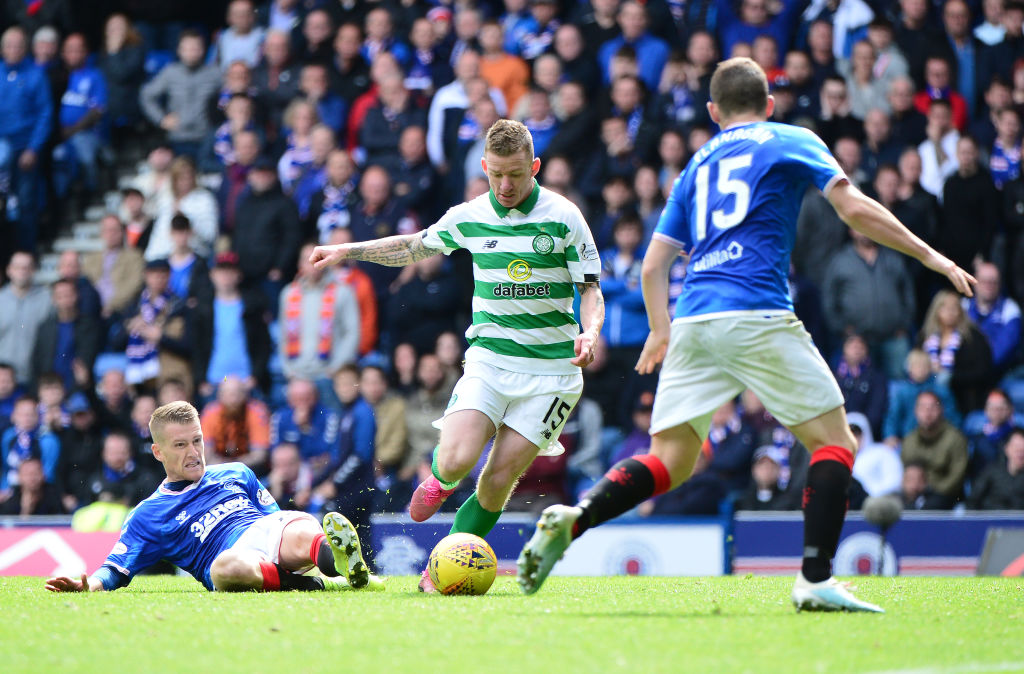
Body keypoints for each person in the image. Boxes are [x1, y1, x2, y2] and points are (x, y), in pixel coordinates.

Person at [515, 57, 977, 611]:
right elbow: (851, 206)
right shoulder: (788, 138)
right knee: (834, 442)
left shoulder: (695, 166)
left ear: (712, 112)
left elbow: (654, 264)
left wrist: (660, 331)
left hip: (693, 317)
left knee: (671, 459)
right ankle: (814, 578)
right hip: (755, 309)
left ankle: (578, 515)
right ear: (770, 104)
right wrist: (931, 256)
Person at [309, 118, 603, 592]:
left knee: (496, 480)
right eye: (497, 175)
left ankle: (439, 570)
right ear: (484, 167)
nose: (506, 186)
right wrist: (348, 249)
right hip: (490, 359)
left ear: (536, 167)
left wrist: (590, 332)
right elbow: (410, 247)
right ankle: (442, 481)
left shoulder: (564, 216)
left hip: (552, 373)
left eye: (517, 175)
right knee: (455, 458)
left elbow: (591, 289)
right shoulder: (469, 215)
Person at [44, 401, 383, 593]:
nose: (194, 453)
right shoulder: (148, 514)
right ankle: (328, 581)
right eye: (180, 445)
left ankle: (339, 560)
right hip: (230, 558)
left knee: (299, 527)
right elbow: (116, 569)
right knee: (224, 569)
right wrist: (89, 587)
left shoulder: (235, 471)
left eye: (197, 441)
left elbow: (274, 517)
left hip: (267, 529)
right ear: (157, 452)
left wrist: (289, 532)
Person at [901, 391, 969, 502]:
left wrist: (934, 491)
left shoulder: (955, 439)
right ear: (916, 411)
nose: (927, 412)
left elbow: (958, 475)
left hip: (944, 495)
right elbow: (905, 472)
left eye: (932, 407)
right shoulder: (909, 440)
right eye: (923, 408)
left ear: (941, 410)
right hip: (913, 495)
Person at [0, 251, 54, 386]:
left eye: (27, 267)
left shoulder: (47, 300)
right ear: (9, 270)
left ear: (34, 270)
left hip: (33, 376)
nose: (22, 271)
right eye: (17, 267)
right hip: (2, 378)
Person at [968, 427, 1024, 510]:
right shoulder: (991, 472)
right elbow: (973, 500)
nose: (1020, 453)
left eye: (1023, 449)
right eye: (1016, 447)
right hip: (990, 519)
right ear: (1006, 449)